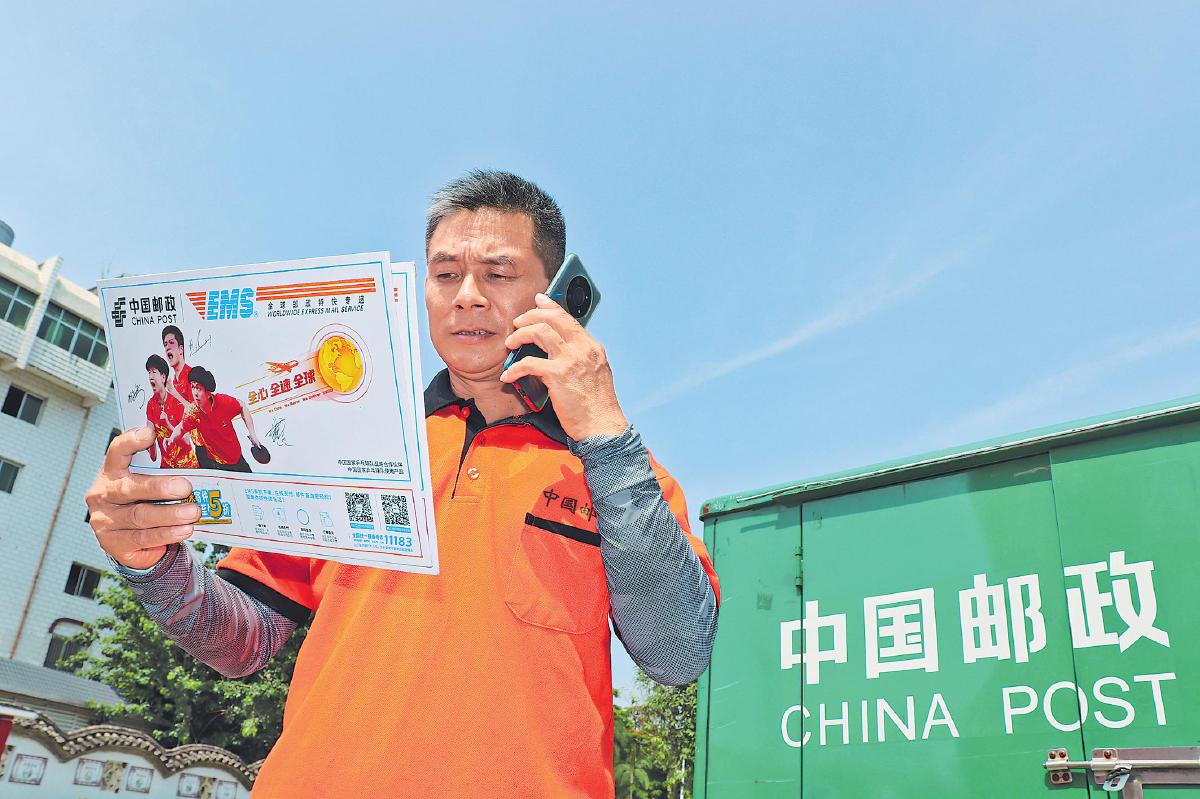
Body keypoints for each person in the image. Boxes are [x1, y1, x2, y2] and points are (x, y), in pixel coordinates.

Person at [85, 170, 720, 798]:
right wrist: (154, 564)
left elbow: (677, 652)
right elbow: (241, 645)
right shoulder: (347, 441)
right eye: (445, 274)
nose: (466, 296)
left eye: (498, 274)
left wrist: (605, 432)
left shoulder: (624, 474)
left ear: (554, 297)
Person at [165, 366, 262, 473]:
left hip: (236, 459)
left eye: (199, 389)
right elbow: (181, 428)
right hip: (216, 464)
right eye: (192, 387)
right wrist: (171, 439)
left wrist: (253, 434)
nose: (195, 393)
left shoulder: (223, 402)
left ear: (208, 393)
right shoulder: (192, 412)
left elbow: (242, 406)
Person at [161, 325, 212, 467]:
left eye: (171, 343)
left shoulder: (192, 376)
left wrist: (174, 392)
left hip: (211, 444)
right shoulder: (173, 382)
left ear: (181, 349)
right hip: (197, 448)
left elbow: (198, 412)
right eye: (165, 344)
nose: (167, 347)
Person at [145, 353, 198, 468]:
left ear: (163, 377)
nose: (150, 377)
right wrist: (148, 442)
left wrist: (167, 424)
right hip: (167, 469)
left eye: (154, 372)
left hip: (187, 467)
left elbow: (186, 440)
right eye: (149, 373)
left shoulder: (177, 403)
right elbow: (153, 457)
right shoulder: (150, 405)